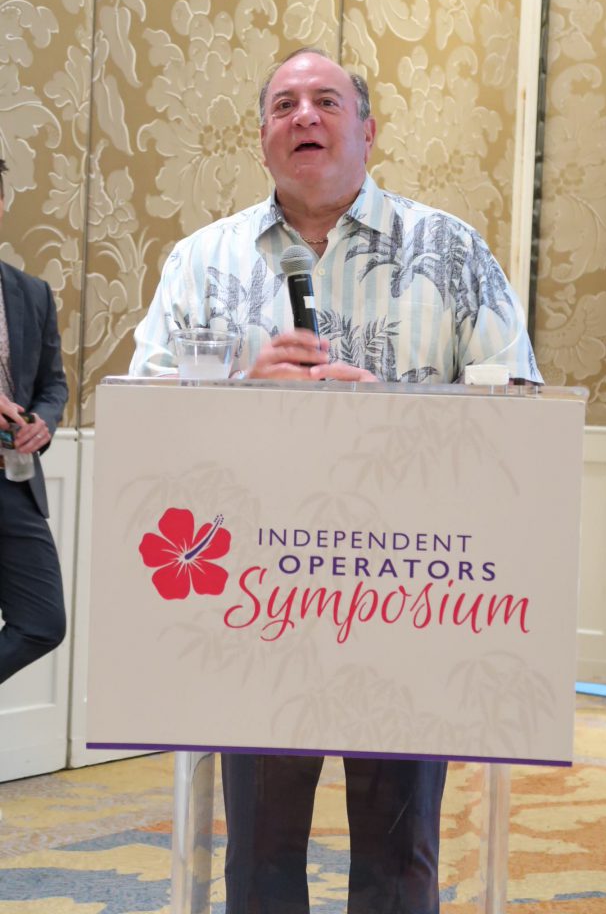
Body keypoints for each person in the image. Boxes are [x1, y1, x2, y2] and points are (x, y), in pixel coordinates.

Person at [130, 47, 541, 913]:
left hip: (412, 587)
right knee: (260, 847)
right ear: (262, 136)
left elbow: (518, 407)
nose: (304, 117)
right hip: (254, 595)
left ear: (367, 130)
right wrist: (240, 387)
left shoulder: (450, 251)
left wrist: (394, 413)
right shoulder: (202, 260)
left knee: (399, 848)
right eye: (283, 105)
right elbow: (145, 411)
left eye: (325, 101)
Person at [0, 158, 68, 686]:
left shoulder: (32, 292)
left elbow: (53, 384)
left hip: (14, 482)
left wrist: (43, 422)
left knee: (43, 623)